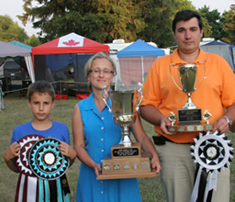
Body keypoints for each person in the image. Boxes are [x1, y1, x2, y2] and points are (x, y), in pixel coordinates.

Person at [140, 9, 235, 202]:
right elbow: (146, 106)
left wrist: (227, 118)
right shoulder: (160, 65)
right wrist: (160, 119)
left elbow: (233, 103)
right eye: (181, 30)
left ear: (201, 32)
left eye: (192, 29)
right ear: (174, 34)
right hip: (173, 148)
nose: (187, 35)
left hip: (213, 147)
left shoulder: (219, 63)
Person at [72, 52, 161, 202]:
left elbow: (142, 137)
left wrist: (154, 155)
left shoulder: (125, 103)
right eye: (96, 70)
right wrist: (93, 164)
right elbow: (79, 146)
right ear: (88, 76)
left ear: (112, 76)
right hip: (92, 176)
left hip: (123, 174)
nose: (101, 75)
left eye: (106, 71)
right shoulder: (80, 108)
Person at [4, 80, 76, 201]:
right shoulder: (19, 131)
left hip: (55, 189)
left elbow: (64, 165)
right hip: (29, 192)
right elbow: (17, 169)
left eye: (46, 103)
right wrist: (7, 159)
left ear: (53, 104)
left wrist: (73, 156)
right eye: (36, 103)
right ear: (29, 103)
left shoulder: (62, 129)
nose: (41, 108)